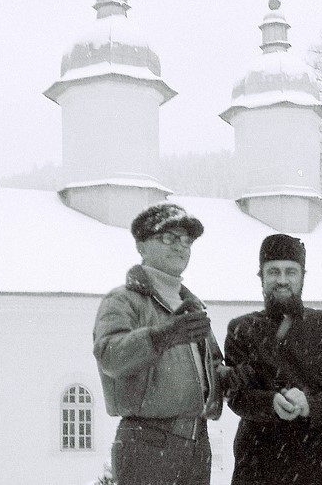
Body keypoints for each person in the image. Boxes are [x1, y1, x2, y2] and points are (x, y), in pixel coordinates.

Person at [93, 202, 233, 485]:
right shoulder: (123, 300)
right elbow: (110, 356)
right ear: (141, 246)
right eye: (168, 238)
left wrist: (229, 378)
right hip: (148, 443)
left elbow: (211, 367)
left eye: (186, 240)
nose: (180, 246)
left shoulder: (192, 307)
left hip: (197, 444)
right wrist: (161, 336)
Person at [224, 233, 322, 485]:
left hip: (321, 462)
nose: (282, 280)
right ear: (261, 277)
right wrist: (271, 403)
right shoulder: (241, 329)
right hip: (258, 462)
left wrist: (311, 405)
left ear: (302, 277)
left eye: (291, 271)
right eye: (273, 271)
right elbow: (236, 394)